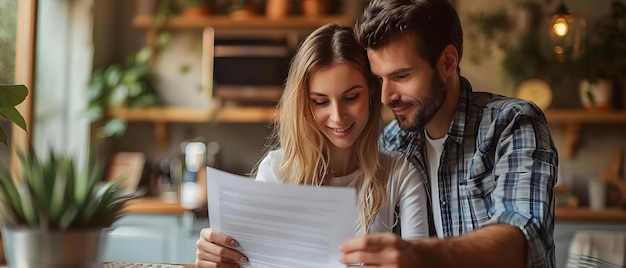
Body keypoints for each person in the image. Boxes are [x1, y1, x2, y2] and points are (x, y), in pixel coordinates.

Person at [338, 0, 559, 268]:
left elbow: (522, 238)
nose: (386, 96)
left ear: (447, 62)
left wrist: (421, 254)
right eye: (379, 79)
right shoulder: (393, 142)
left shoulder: (512, 124)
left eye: (402, 76)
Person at [195, 23, 429, 268]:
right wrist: (217, 259)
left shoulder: (399, 174)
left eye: (351, 98)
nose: (338, 117)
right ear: (304, 104)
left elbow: (420, 260)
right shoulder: (276, 171)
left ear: (371, 93)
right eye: (320, 102)